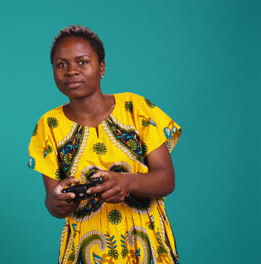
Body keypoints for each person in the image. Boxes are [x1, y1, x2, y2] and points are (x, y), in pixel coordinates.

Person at [27, 25, 182, 264]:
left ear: (101, 68)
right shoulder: (48, 125)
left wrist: (128, 181)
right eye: (61, 64)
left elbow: (166, 179)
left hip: (146, 243)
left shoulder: (135, 108)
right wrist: (57, 200)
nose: (71, 71)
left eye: (82, 62)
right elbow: (53, 204)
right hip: (85, 249)